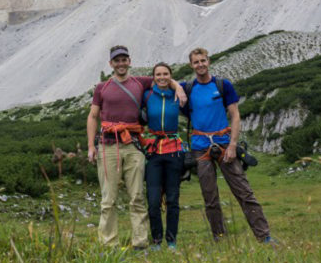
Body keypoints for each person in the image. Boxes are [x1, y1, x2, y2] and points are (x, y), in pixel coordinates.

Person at [87, 45, 186, 249]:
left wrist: (179, 87)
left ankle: (140, 243)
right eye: (117, 60)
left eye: (124, 59)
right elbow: (93, 116)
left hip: (133, 145)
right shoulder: (101, 88)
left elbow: (164, 78)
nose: (121, 63)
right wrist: (91, 145)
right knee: (108, 199)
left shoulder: (140, 82)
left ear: (129, 61)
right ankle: (108, 244)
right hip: (107, 146)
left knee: (137, 196)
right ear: (111, 64)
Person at [184, 47, 274, 243]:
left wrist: (233, 145)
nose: (200, 65)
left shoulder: (223, 85)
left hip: (225, 144)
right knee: (210, 198)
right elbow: (166, 83)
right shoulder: (187, 88)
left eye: (203, 61)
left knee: (244, 192)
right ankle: (220, 238)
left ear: (209, 61)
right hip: (200, 147)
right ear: (191, 65)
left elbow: (235, 115)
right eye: (196, 62)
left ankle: (264, 236)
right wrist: (175, 87)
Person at [142, 62, 186, 250]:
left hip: (174, 150)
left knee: (172, 199)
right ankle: (157, 239)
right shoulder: (147, 95)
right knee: (152, 200)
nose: (161, 77)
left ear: (170, 75)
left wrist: (177, 87)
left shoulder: (178, 95)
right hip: (153, 152)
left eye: (165, 74)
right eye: (158, 74)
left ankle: (171, 240)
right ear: (153, 77)